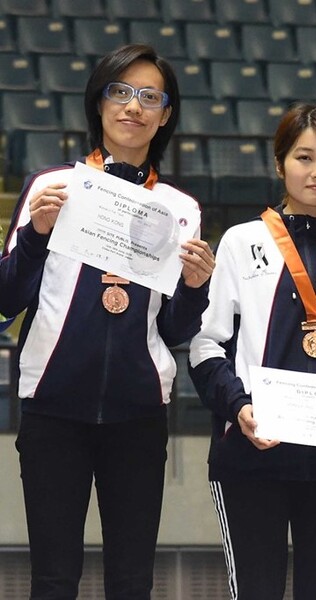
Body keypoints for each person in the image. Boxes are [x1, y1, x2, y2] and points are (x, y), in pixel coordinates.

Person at [0, 44, 215, 599]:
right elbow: (6, 299)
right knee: (52, 578)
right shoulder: (51, 187)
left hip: (138, 413)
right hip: (52, 406)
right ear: (99, 102)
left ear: (165, 115)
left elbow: (174, 331)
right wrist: (34, 237)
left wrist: (194, 288)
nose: (133, 107)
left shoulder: (179, 208)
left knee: (131, 580)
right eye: (121, 92)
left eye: (150, 97)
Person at [188, 104, 316, 600]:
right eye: (305, 157)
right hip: (252, 456)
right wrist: (240, 408)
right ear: (280, 164)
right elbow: (205, 343)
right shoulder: (242, 241)